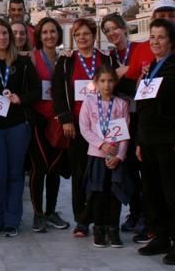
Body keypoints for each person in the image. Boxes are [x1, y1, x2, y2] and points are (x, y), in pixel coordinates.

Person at [134, 18, 175, 265]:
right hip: (150, 143)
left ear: (171, 41)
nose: (155, 41)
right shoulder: (150, 68)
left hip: (172, 142)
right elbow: (143, 107)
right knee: (153, 193)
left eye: (161, 37)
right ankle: (161, 235)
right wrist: (140, 141)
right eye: (152, 37)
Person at [0, 18, 41, 237]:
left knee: (15, 174)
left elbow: (36, 93)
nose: (2, 37)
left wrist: (20, 99)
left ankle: (12, 220)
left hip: (17, 126)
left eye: (5, 33)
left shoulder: (23, 63)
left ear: (10, 37)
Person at [50, 17, 113, 237]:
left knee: (103, 175)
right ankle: (82, 220)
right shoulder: (67, 61)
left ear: (94, 36)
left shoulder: (106, 59)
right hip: (76, 127)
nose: (82, 38)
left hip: (104, 126)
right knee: (80, 174)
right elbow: (57, 91)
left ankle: (101, 218)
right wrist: (65, 118)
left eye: (86, 34)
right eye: (78, 35)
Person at [100, 13, 144, 234]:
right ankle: (136, 211)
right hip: (120, 119)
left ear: (124, 28)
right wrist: (125, 71)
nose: (112, 33)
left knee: (142, 166)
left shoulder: (140, 50)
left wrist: (127, 70)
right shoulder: (108, 58)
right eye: (107, 31)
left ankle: (147, 214)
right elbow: (103, 81)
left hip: (141, 116)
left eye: (114, 28)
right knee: (127, 168)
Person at [80, 64, 131, 248]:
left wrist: (120, 156)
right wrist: (101, 144)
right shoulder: (90, 102)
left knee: (114, 194)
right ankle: (99, 229)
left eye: (110, 81)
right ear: (96, 83)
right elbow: (85, 128)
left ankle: (113, 229)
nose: (107, 85)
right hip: (96, 155)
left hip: (115, 158)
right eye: (102, 81)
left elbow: (124, 134)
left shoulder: (120, 104)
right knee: (98, 194)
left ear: (115, 82)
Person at [27, 17, 70, 233]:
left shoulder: (65, 60)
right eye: (45, 32)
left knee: (54, 168)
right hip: (38, 120)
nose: (49, 36)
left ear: (59, 35)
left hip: (59, 121)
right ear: (39, 36)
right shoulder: (32, 59)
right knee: (39, 167)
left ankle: (51, 211)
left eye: (53, 32)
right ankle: (38, 214)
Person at [124, 0, 175, 81]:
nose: (167, 19)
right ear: (153, 20)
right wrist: (144, 76)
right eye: (162, 16)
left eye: (171, 16)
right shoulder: (140, 49)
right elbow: (131, 82)